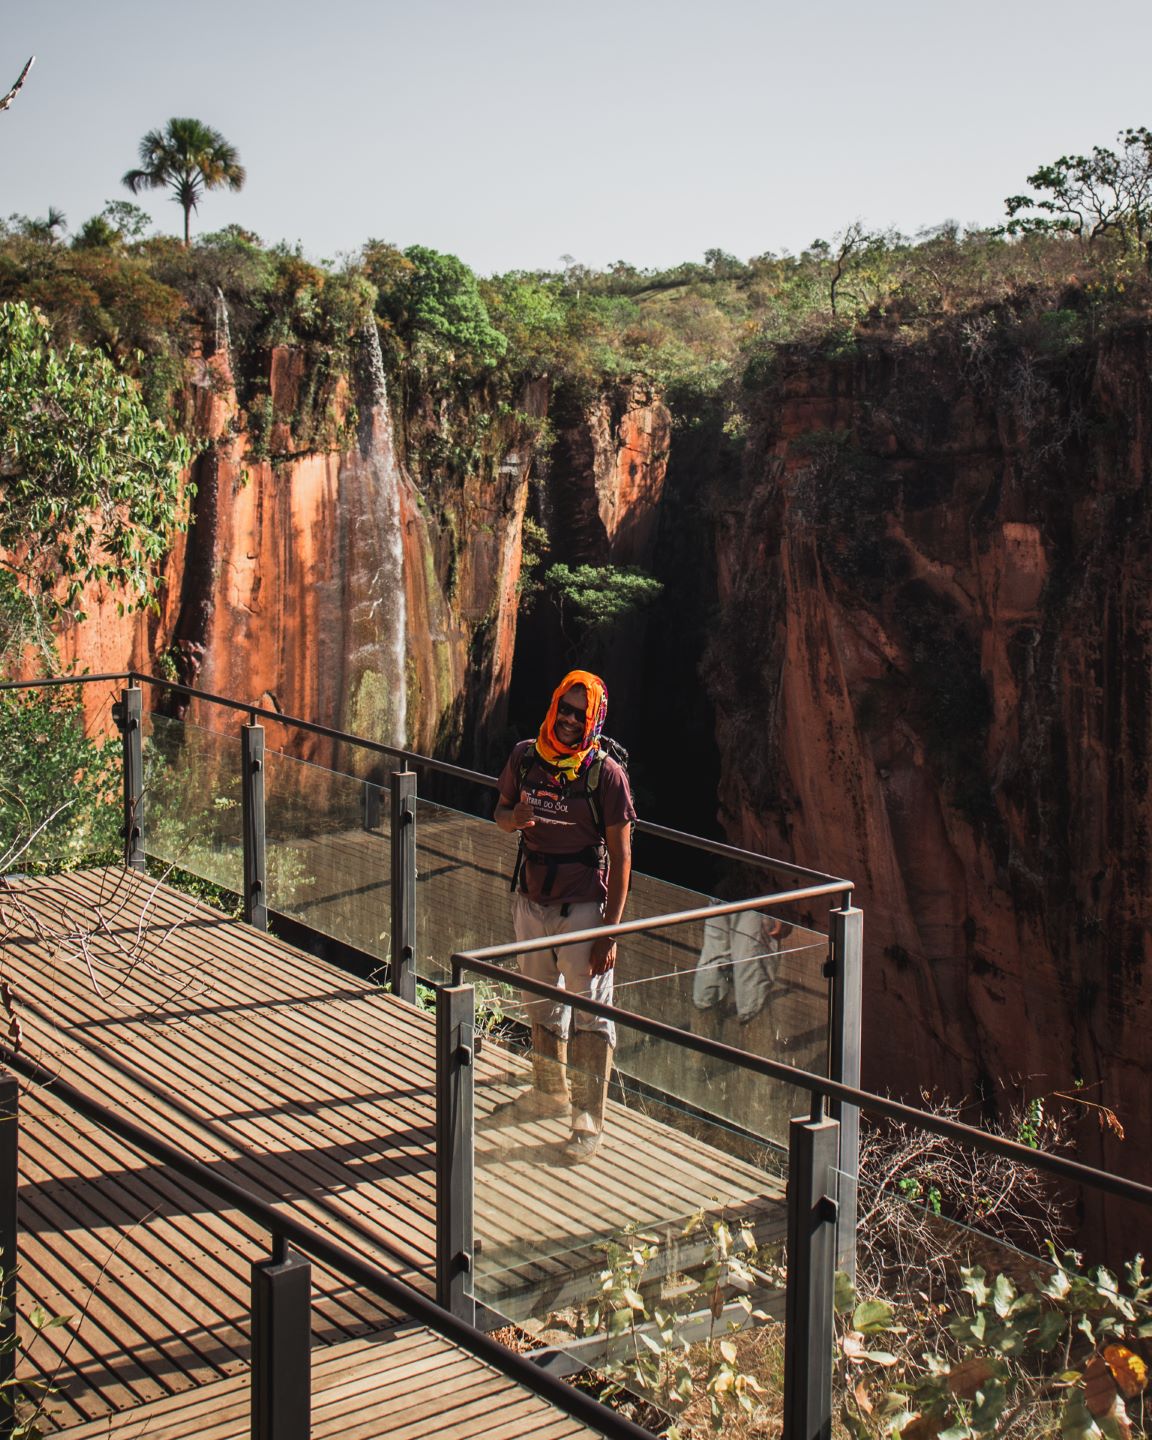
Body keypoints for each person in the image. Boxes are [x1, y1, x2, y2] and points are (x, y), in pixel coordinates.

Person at [493, 670, 635, 1162]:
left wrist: (610, 932)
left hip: (582, 910)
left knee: (592, 1015)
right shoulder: (526, 756)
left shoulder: (606, 775)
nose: (572, 719)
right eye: (566, 708)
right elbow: (500, 811)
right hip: (531, 902)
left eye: (582, 712)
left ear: (594, 718)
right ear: (554, 705)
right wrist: (516, 819)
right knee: (538, 1002)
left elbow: (622, 858)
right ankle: (547, 1092)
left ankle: (588, 1121)